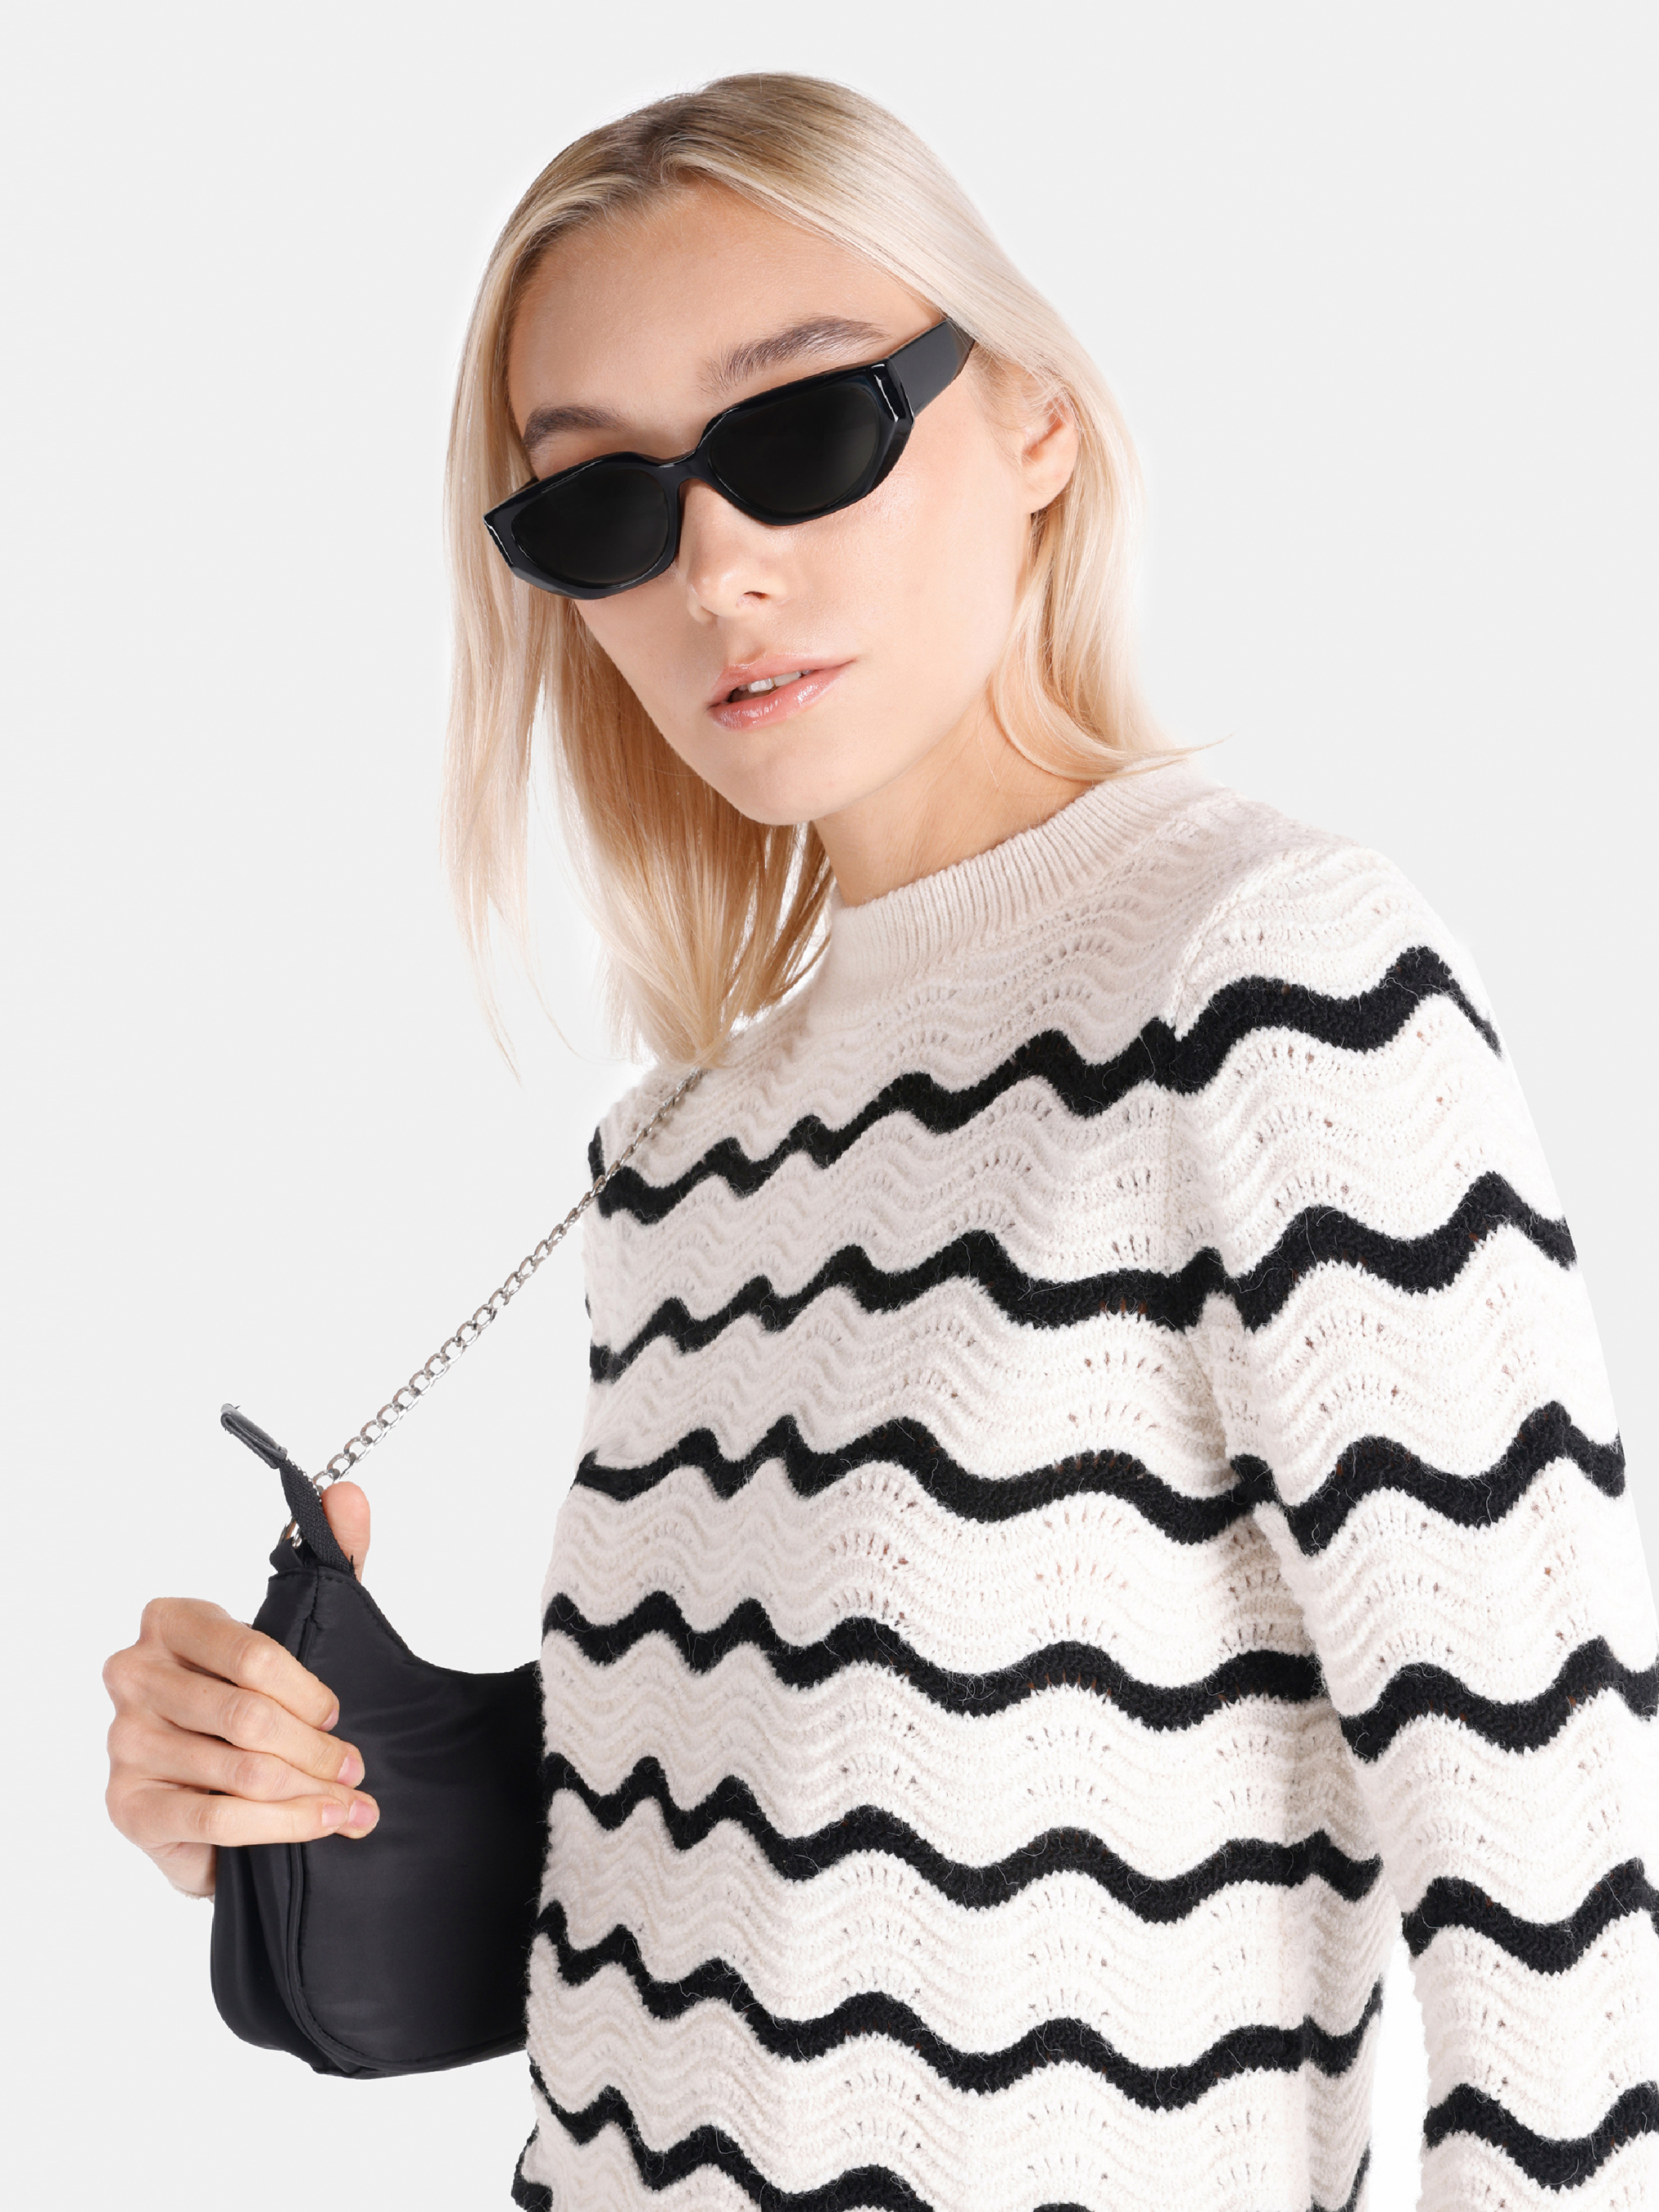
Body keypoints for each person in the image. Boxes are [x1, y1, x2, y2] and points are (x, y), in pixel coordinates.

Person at [102, 72, 1659, 2212]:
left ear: (1036, 421)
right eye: (601, 505)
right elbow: (738, 1908)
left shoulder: (1268, 979)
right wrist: (295, 1796)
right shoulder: (679, 1146)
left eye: (804, 430)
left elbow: (1567, 1905)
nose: (717, 568)